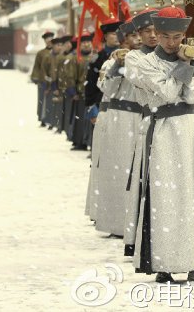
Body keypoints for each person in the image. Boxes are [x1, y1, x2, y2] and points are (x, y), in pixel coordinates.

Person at [126, 6, 194, 283]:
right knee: (168, 197)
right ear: (156, 35)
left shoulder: (189, 60)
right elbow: (168, 93)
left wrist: (191, 67)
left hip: (192, 130)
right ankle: (165, 263)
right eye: (167, 37)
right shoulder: (140, 61)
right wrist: (184, 67)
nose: (173, 43)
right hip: (164, 130)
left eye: (178, 37)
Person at [87, 19, 144, 234]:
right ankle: (117, 220)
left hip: (143, 117)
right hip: (120, 120)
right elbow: (104, 87)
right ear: (124, 40)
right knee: (119, 170)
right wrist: (118, 66)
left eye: (143, 34)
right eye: (134, 36)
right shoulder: (111, 62)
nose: (139, 39)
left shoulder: (151, 60)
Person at [77, 22, 120, 151]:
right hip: (102, 105)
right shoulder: (97, 58)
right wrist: (92, 108)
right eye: (113, 33)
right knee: (101, 144)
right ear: (105, 36)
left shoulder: (128, 55)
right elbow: (90, 84)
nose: (117, 36)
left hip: (121, 107)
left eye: (119, 33)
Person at [67, 33, 97, 147]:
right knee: (79, 119)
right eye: (83, 43)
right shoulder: (76, 59)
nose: (86, 45)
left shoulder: (95, 57)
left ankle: (88, 141)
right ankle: (79, 141)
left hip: (92, 93)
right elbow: (70, 76)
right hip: (80, 93)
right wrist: (73, 92)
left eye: (88, 42)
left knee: (90, 120)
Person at [32, 31, 55, 125]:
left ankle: (52, 119)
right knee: (42, 100)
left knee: (52, 100)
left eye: (50, 38)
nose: (49, 40)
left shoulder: (56, 52)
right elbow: (36, 67)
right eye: (47, 38)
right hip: (43, 80)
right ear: (45, 41)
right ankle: (42, 118)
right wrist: (36, 78)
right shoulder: (41, 53)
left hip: (53, 80)